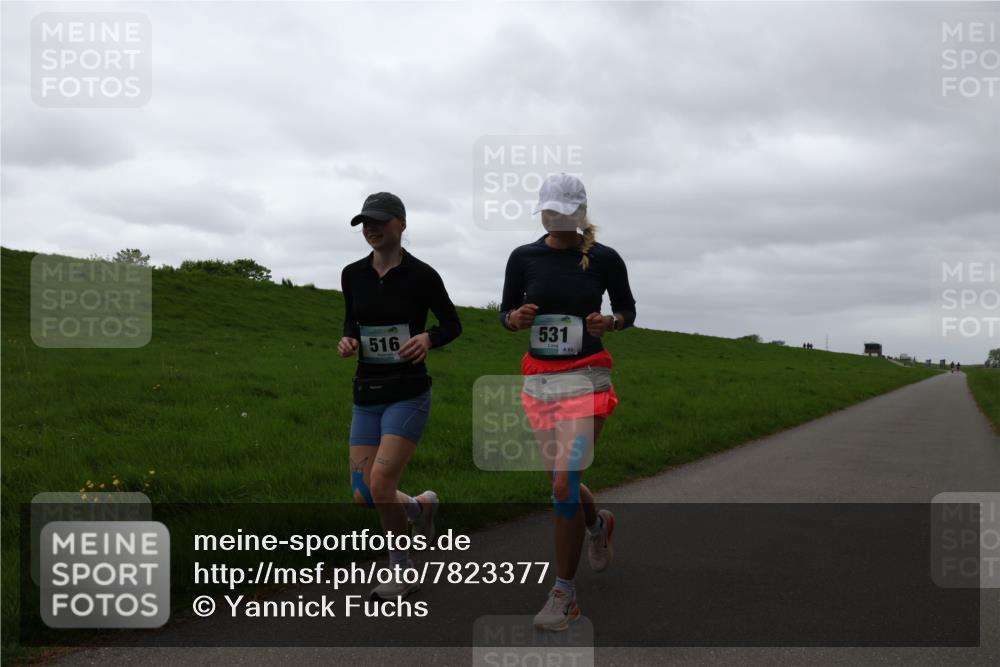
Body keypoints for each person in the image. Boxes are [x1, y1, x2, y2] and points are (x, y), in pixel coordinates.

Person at [499, 173, 636, 631]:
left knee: (561, 486)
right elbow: (506, 313)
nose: (556, 217)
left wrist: (609, 323)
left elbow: (628, 311)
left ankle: (564, 594)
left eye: (564, 209)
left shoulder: (604, 259)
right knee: (563, 483)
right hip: (539, 380)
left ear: (581, 212)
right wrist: (514, 318)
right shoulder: (523, 257)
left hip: (587, 377)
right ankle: (598, 525)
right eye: (549, 209)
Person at [338, 192, 462, 600]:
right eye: (364, 224)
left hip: (407, 393)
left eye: (379, 221)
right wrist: (348, 341)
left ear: (401, 224)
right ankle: (421, 507)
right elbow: (351, 323)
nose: (370, 229)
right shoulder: (352, 274)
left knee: (380, 482)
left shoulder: (422, 275)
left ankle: (402, 568)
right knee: (363, 493)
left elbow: (452, 324)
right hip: (366, 391)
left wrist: (428, 337)